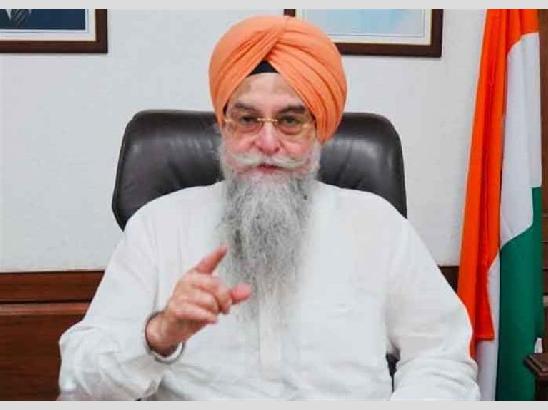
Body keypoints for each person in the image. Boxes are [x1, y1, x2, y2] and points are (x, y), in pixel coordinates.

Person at [58, 15, 480, 400]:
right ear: (223, 127)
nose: (267, 142)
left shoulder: (377, 226)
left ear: (320, 130)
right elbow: (79, 382)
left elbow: (441, 358)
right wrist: (158, 334)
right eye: (247, 119)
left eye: (290, 121)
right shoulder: (159, 226)